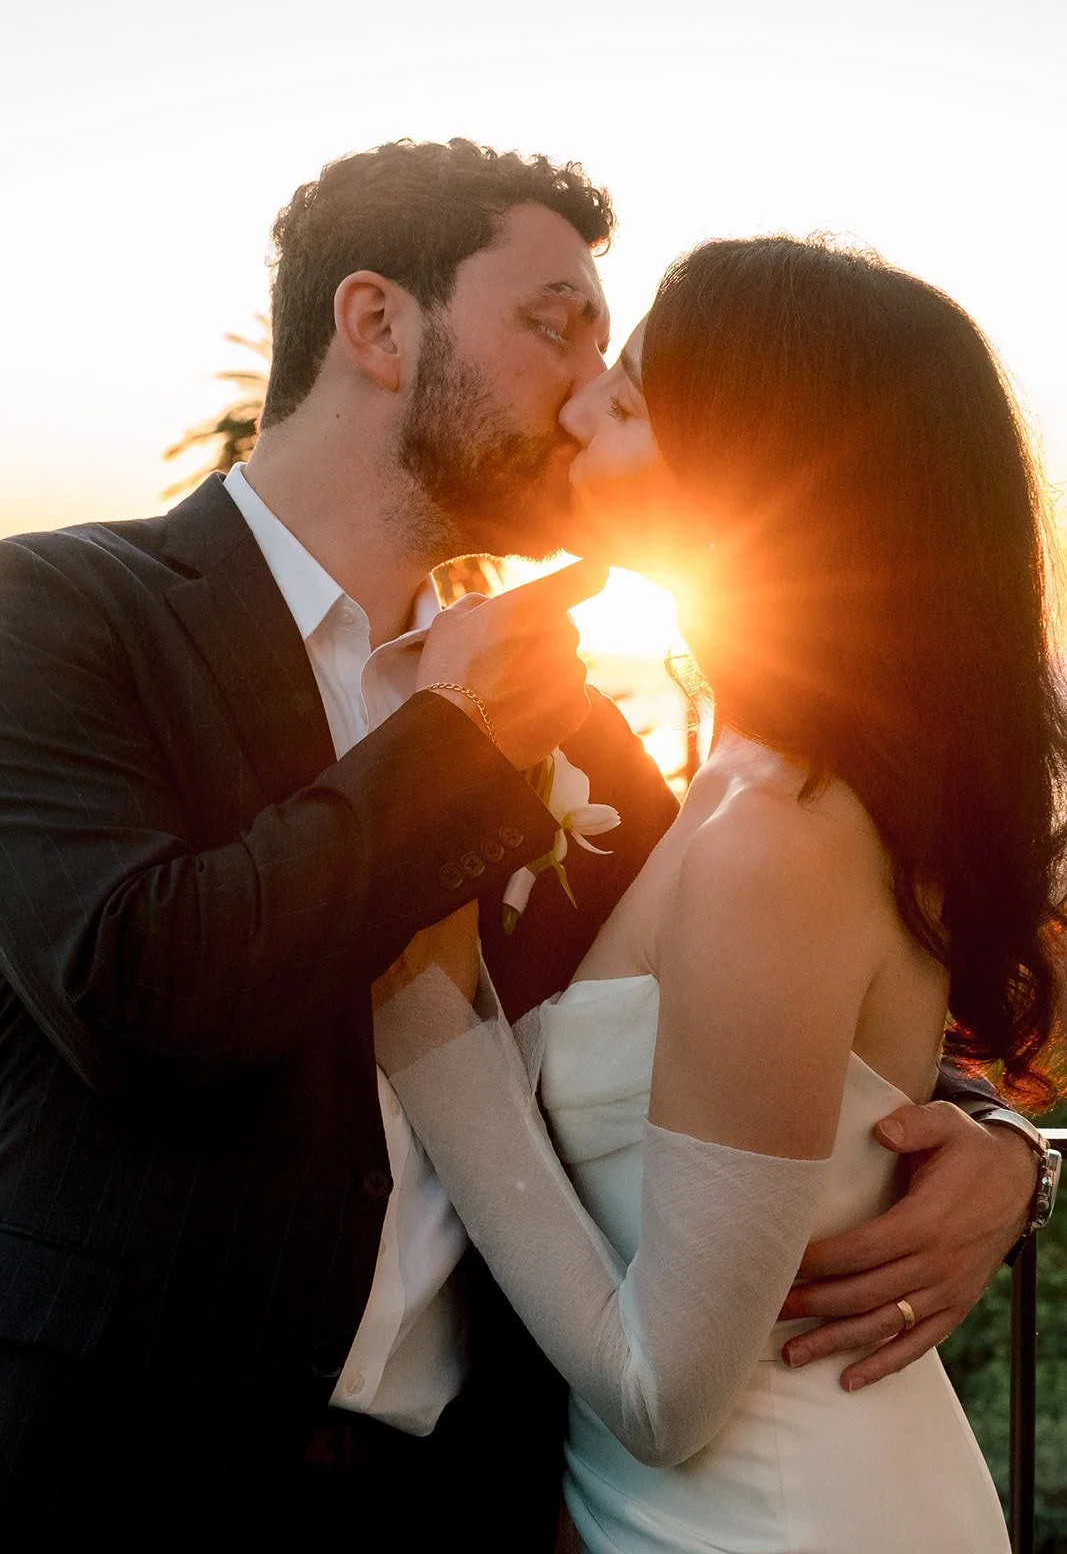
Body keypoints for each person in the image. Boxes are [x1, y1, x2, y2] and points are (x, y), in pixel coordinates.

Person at [0, 140, 1042, 1543]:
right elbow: (138, 994)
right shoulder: (62, 613)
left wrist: (986, 1143)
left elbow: (753, 998)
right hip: (127, 1470)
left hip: (473, 1504)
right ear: (376, 325)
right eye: (553, 327)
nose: (584, 390)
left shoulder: (576, 718)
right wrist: (452, 746)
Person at [370, 236, 1066, 1552]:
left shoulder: (779, 837)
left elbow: (662, 1395)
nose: (578, 411)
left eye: (625, 400)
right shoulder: (740, 784)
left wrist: (423, 1019)